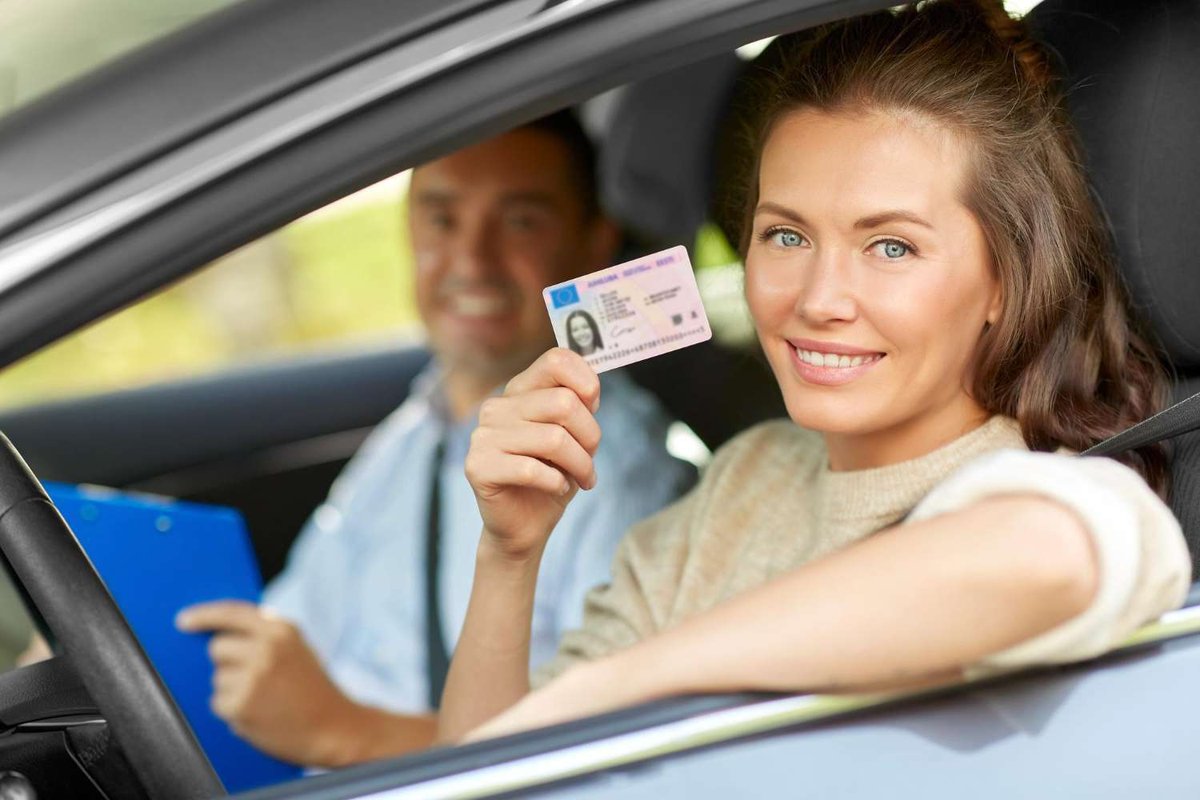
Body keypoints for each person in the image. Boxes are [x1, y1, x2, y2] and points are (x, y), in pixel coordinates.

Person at [437, 0, 1192, 742]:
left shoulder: (1059, 493)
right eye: (787, 235)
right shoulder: (743, 485)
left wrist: (627, 683)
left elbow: (1051, 551)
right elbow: (491, 770)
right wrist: (510, 554)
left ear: (1004, 280)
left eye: (891, 247)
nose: (819, 300)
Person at [174, 112, 696, 766]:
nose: (471, 262)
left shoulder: (614, 477)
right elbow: (296, 621)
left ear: (595, 245)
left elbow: (594, 753)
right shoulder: (416, 426)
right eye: (442, 220)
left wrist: (342, 731)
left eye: (520, 222)